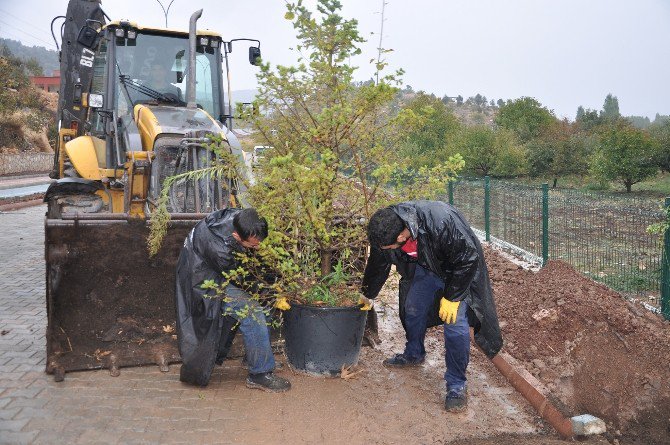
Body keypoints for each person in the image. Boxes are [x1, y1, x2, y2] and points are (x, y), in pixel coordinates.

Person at [361, 200, 502, 412]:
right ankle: (414, 353)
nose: (384, 250)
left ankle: (456, 385)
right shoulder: (386, 227)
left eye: (388, 247)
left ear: (401, 236)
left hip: (456, 272)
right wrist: (367, 294)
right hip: (426, 269)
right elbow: (378, 262)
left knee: (455, 327)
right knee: (413, 309)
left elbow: (468, 258)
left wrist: (453, 297)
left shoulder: (441, 221)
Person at [175, 207, 291, 392]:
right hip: (205, 279)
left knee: (265, 299)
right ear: (237, 237)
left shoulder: (242, 219)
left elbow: (250, 264)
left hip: (218, 268)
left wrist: (271, 282)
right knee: (252, 312)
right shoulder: (220, 249)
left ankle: (254, 357)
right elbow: (242, 281)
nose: (258, 247)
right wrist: (267, 289)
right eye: (253, 245)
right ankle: (259, 374)